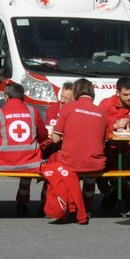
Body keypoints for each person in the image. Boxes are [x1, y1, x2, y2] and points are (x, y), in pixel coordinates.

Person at [49, 79, 110, 217]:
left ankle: (57, 203)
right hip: (95, 163)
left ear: (76, 92)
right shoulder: (102, 112)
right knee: (90, 172)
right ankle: (87, 207)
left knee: (51, 161)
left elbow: (55, 139)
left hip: (70, 162)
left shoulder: (67, 108)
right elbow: (105, 139)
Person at [0, 81, 45, 215]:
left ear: (6, 97)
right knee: (27, 167)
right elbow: (43, 135)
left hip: (1, 163)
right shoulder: (33, 112)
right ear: (23, 97)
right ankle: (22, 203)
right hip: (31, 163)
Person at [98, 76, 130, 214]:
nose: (129, 98)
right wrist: (114, 125)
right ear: (117, 93)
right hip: (110, 147)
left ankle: (115, 196)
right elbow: (97, 125)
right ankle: (119, 195)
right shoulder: (106, 104)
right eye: (125, 94)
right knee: (104, 162)